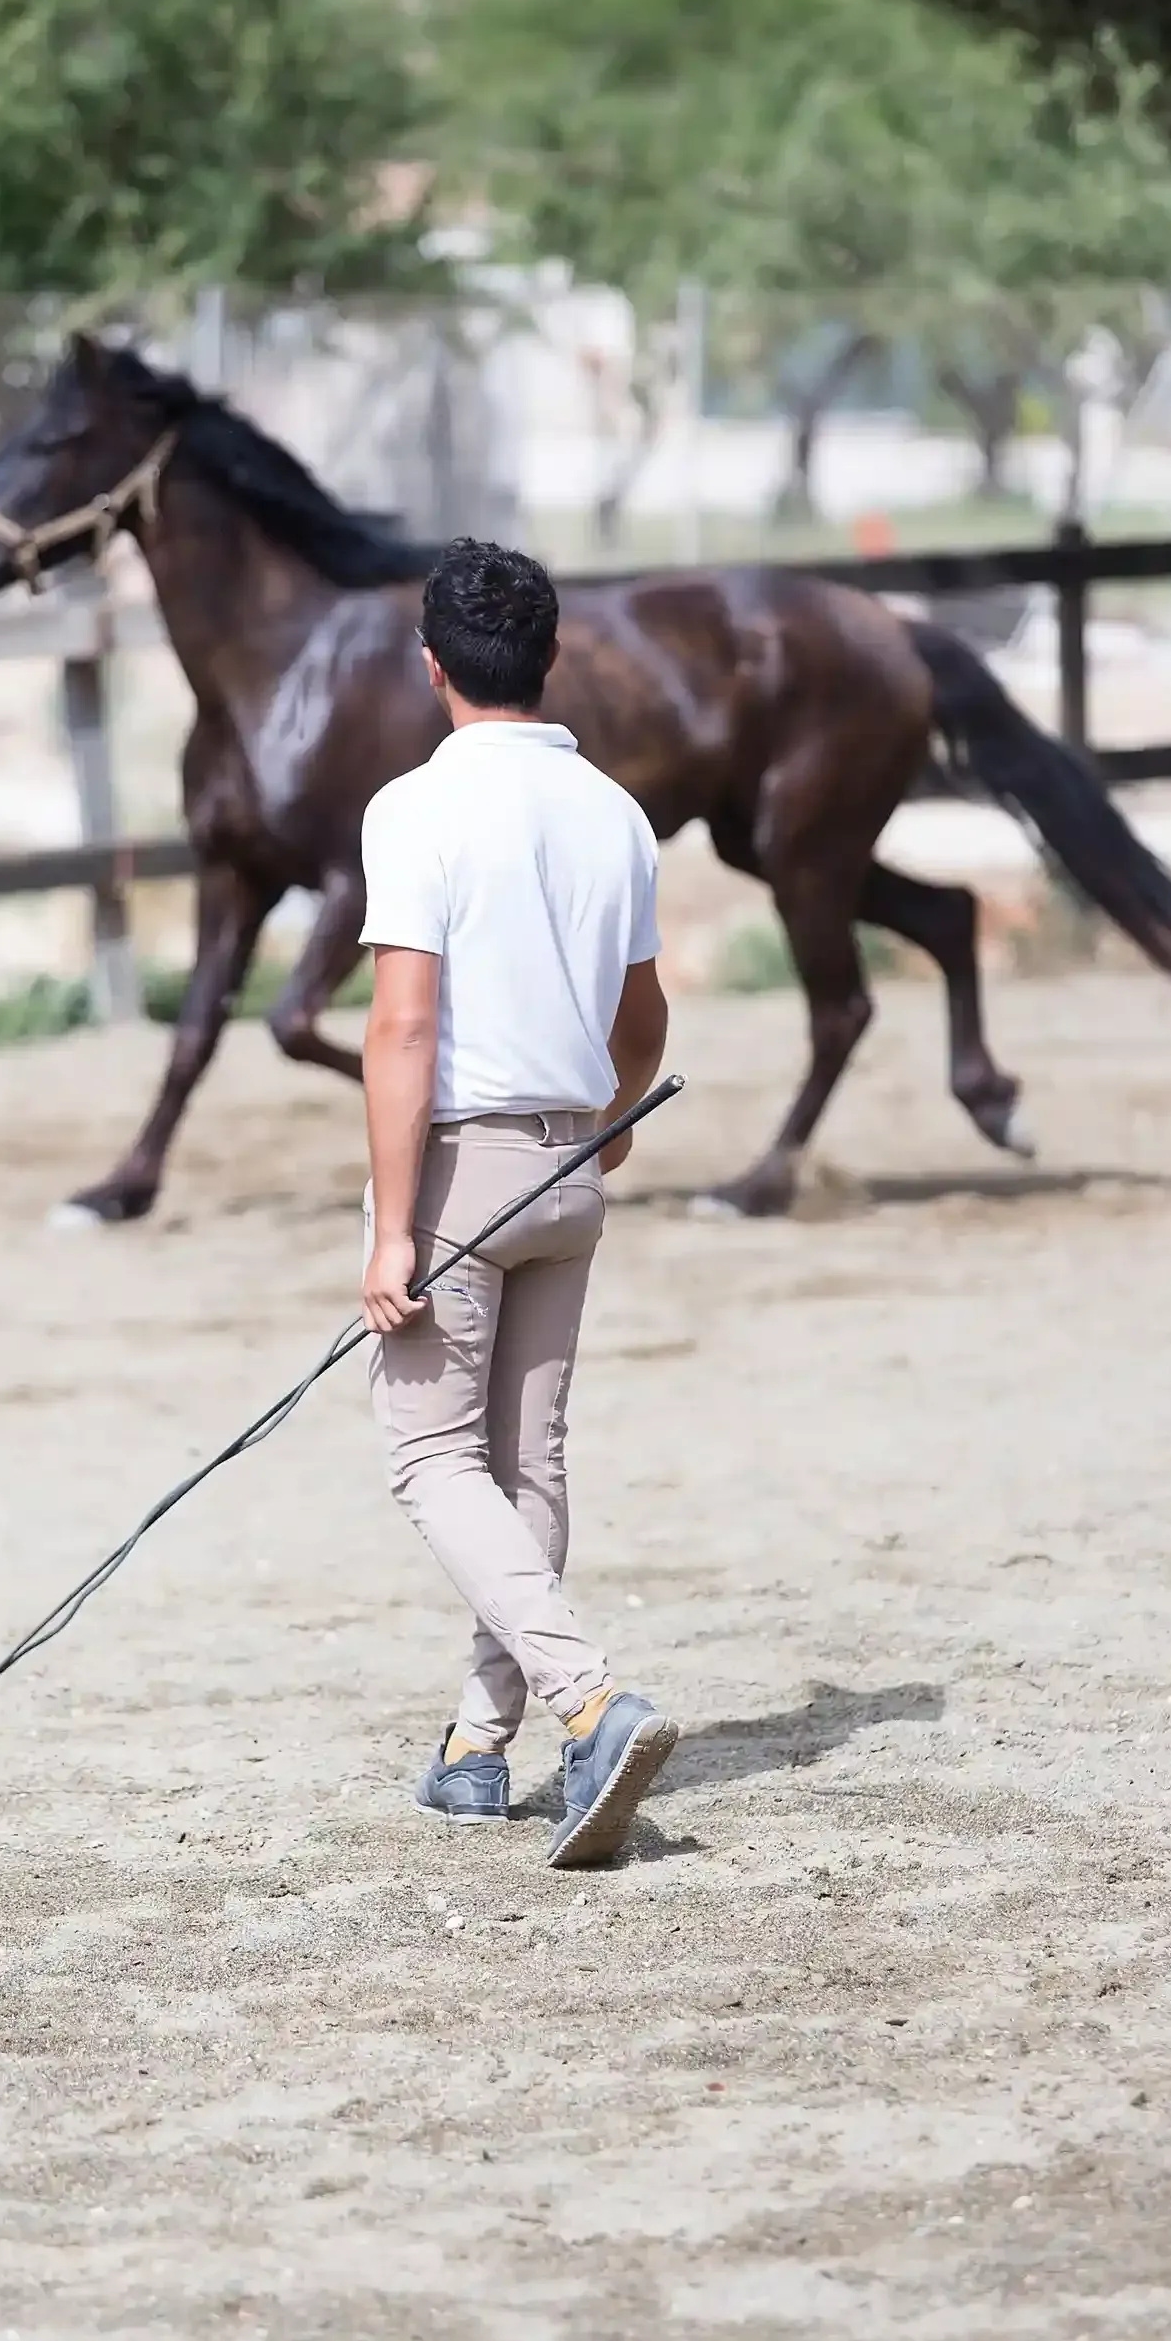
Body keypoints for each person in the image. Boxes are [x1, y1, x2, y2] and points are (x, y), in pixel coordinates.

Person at [359, 537, 677, 1871]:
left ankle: (589, 1699)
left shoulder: (415, 806)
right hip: (569, 1166)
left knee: (430, 1458)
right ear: (549, 661)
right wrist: (599, 1132)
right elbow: (644, 1018)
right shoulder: (616, 811)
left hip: (464, 1167)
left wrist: (389, 1224)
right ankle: (477, 1754)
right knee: (528, 1466)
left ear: (433, 666)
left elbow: (402, 1026)